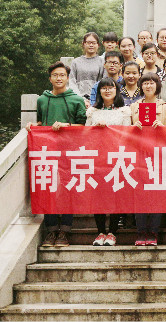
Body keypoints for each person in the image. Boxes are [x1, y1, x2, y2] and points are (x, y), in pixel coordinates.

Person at [27, 61, 87, 247]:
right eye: (55, 75)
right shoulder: (42, 100)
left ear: (68, 78)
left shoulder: (76, 100)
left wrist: (67, 126)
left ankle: (64, 232)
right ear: (50, 78)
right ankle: (51, 230)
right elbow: (41, 121)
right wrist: (34, 125)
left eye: (62, 75)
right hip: (48, 151)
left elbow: (84, 126)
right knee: (48, 189)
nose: (59, 78)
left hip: (70, 151)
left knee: (68, 190)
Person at [130, 73, 166, 246]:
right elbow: (124, 131)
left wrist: (164, 128)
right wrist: (133, 127)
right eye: (145, 83)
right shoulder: (134, 107)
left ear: (157, 85)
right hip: (139, 154)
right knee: (139, 194)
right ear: (141, 86)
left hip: (159, 155)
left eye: (152, 83)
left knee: (156, 193)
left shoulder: (165, 107)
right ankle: (141, 231)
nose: (148, 86)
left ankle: (154, 232)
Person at [86, 77, 131, 246]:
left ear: (116, 91)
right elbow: (85, 134)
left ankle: (112, 232)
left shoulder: (124, 111)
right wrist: (95, 129)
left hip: (117, 158)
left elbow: (127, 134)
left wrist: (110, 131)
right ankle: (100, 232)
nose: (107, 90)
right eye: (103, 88)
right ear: (99, 91)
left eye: (110, 87)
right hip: (97, 158)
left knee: (116, 195)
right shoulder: (92, 112)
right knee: (98, 195)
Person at [70, 32, 104, 103]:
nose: (91, 45)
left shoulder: (102, 62)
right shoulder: (75, 62)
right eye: (88, 42)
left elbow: (103, 82)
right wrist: (81, 99)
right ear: (83, 44)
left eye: (93, 43)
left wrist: (94, 99)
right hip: (78, 100)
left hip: (97, 100)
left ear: (98, 45)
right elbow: (72, 82)